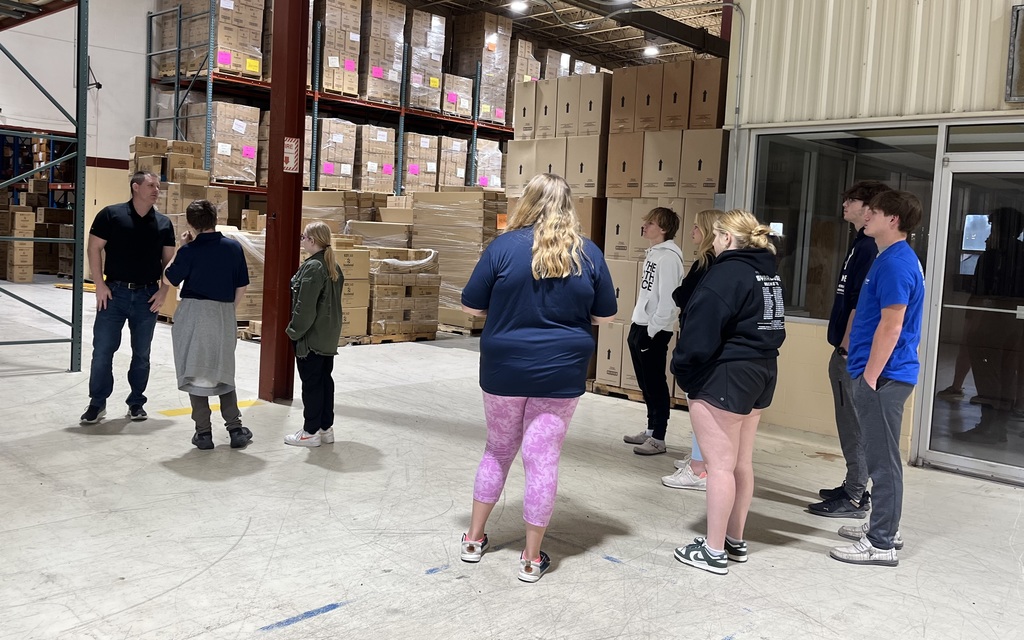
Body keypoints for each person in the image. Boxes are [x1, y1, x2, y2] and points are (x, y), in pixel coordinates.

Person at [459, 173, 617, 583]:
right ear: (568, 205)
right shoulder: (588, 253)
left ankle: (474, 540)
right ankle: (531, 559)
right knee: (542, 458)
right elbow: (605, 315)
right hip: (561, 369)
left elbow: (471, 306)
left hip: (505, 366)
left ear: (526, 202)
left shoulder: (502, 248)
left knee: (498, 450)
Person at [671, 210, 786, 575]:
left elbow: (699, 332)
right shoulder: (768, 273)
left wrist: (682, 370)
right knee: (740, 464)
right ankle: (734, 539)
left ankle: (713, 550)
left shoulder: (725, 273)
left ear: (725, 238)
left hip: (725, 375)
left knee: (719, 467)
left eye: (716, 236)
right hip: (762, 370)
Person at [829, 190, 924, 567]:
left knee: (883, 463)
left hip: (884, 376)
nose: (866, 215)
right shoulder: (888, 257)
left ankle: (882, 542)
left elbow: (892, 325)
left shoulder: (897, 263)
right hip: (878, 373)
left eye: (875, 212)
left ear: (893, 220)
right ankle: (884, 527)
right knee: (878, 456)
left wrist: (869, 377)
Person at [809, 180, 892, 518]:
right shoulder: (860, 243)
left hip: (853, 353)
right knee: (848, 422)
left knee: (854, 423)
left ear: (869, 207)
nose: (844, 204)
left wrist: (846, 347)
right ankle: (853, 483)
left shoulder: (870, 248)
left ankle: (856, 495)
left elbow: (861, 304)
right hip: (848, 348)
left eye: (852, 199)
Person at [80, 171, 175, 425]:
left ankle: (136, 402)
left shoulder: (164, 223)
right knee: (103, 350)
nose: (156, 190)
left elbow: (169, 263)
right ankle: (97, 403)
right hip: (114, 293)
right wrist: (99, 285)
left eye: (158, 186)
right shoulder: (111, 215)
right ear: (135, 187)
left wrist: (163, 292)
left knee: (142, 353)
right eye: (151, 185)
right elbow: (94, 248)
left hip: (147, 296)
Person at [164, 200, 252, 450]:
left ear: (190, 223)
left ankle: (203, 433)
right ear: (216, 219)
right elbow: (242, 285)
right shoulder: (233, 248)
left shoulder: (189, 251)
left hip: (193, 313)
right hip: (223, 312)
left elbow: (169, 279)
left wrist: (181, 247)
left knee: (196, 370)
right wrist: (227, 310)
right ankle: (235, 429)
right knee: (222, 370)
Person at [662, 208, 724, 491]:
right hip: (704, 341)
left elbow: (683, 294)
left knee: (700, 405)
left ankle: (699, 468)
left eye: (697, 227)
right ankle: (700, 459)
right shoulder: (712, 262)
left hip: (700, 344)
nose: (692, 232)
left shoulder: (707, 263)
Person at [952, 207, 1024, 443]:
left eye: (993, 226)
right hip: (1016, 322)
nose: (989, 232)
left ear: (1001, 228)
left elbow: (981, 293)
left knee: (987, 370)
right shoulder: (1021, 251)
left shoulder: (993, 256)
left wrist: (973, 323)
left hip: (992, 319)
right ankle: (999, 425)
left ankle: (989, 425)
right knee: (1007, 370)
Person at [622, 207, 684, 455]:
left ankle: (659, 436)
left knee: (655, 382)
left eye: (651, 223)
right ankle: (650, 430)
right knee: (645, 382)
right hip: (641, 324)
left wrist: (653, 329)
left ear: (664, 229)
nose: (645, 226)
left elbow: (669, 300)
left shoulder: (668, 258)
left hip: (654, 330)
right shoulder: (654, 254)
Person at [283, 221, 344, 448]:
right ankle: (325, 429)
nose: (302, 241)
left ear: (312, 240)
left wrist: (293, 331)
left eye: (303, 237)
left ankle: (309, 432)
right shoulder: (332, 266)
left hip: (311, 337)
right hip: (328, 336)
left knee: (311, 384)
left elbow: (305, 308)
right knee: (324, 381)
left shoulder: (313, 268)